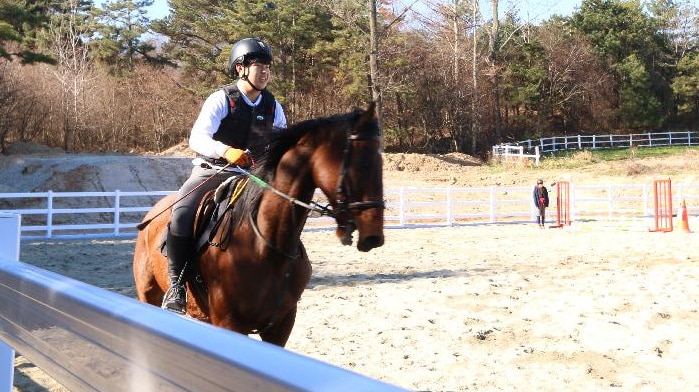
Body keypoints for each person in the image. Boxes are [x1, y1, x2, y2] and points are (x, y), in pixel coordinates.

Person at [161, 37, 287, 314]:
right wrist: (225, 150)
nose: (265, 72)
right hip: (213, 171)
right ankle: (177, 285)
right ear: (240, 68)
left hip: (253, 176)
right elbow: (197, 137)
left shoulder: (272, 106)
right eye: (258, 66)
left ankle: (284, 275)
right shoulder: (222, 99)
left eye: (268, 66)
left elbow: (280, 144)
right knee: (182, 211)